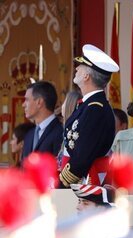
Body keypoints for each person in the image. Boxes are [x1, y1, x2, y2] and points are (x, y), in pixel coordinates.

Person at [58, 44, 119, 188]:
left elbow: (82, 156)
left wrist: (61, 184)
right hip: (82, 181)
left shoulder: (95, 109)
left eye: (80, 66)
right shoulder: (89, 105)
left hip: (86, 183)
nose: (77, 68)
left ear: (86, 76)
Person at [22, 81, 63, 161]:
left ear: (39, 102)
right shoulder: (29, 135)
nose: (23, 105)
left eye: (27, 100)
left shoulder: (61, 133)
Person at [57, 90, 82, 171]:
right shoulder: (68, 131)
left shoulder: (73, 134)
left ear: (69, 105)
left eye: (64, 102)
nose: (61, 106)